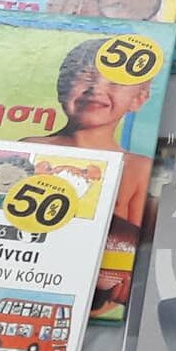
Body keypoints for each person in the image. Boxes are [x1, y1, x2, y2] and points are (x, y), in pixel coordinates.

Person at [36, 40, 151, 231]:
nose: (96, 89)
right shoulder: (32, 148)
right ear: (61, 87)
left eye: (115, 82)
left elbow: (133, 238)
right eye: (86, 77)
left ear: (138, 98)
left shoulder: (137, 168)